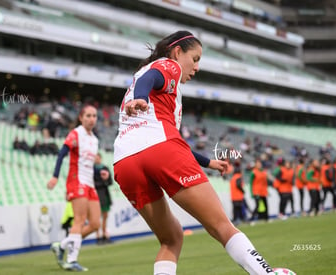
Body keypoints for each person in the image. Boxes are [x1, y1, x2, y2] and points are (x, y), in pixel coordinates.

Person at [113, 31, 274, 275]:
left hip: (124, 161)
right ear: (178, 52)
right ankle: (267, 273)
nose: (197, 67)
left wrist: (208, 161)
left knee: (172, 238)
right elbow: (153, 78)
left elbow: (172, 137)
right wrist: (141, 98)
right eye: (195, 58)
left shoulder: (150, 85)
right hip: (160, 149)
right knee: (222, 226)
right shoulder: (169, 65)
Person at [47, 105, 100, 272]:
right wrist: (55, 176)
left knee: (95, 224)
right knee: (79, 219)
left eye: (94, 116)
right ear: (81, 118)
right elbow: (62, 153)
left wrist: (102, 172)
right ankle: (71, 260)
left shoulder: (95, 139)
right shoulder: (76, 134)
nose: (92, 119)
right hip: (76, 181)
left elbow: (90, 164)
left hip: (90, 183)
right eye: (88, 116)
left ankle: (61, 245)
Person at [93, 153, 113, 244]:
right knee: (97, 217)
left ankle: (105, 235)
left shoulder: (104, 168)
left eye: (98, 158)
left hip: (105, 195)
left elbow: (110, 181)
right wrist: (102, 182)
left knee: (105, 216)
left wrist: (104, 181)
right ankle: (98, 236)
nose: (97, 160)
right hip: (96, 195)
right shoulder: (92, 169)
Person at [250, 158, 269, 223]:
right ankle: (252, 219)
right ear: (255, 165)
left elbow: (265, 182)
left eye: (260, 163)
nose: (259, 165)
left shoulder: (263, 172)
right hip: (256, 192)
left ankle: (266, 218)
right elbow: (251, 183)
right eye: (258, 164)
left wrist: (267, 190)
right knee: (257, 205)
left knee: (266, 205)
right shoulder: (253, 172)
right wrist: (252, 193)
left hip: (263, 191)